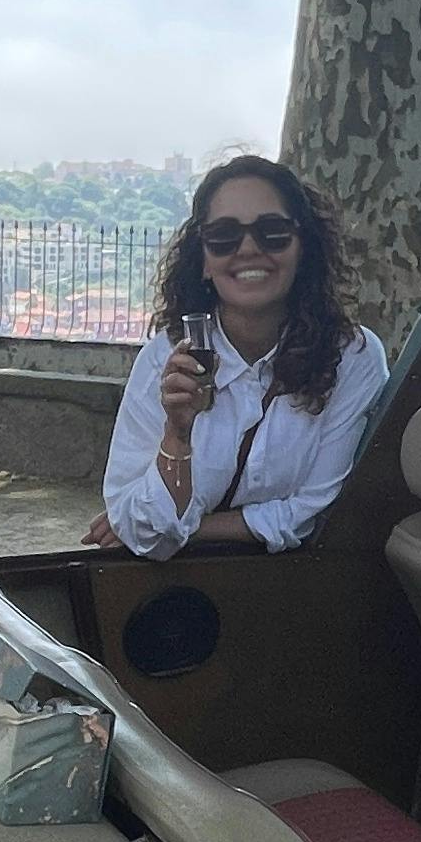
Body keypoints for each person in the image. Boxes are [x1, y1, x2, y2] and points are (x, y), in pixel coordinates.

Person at [87, 157, 388, 559]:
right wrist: (177, 435)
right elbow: (140, 526)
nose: (248, 249)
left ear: (303, 248)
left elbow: (315, 510)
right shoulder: (166, 358)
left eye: (272, 232)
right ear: (204, 259)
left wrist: (185, 528)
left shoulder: (352, 357)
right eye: (224, 236)